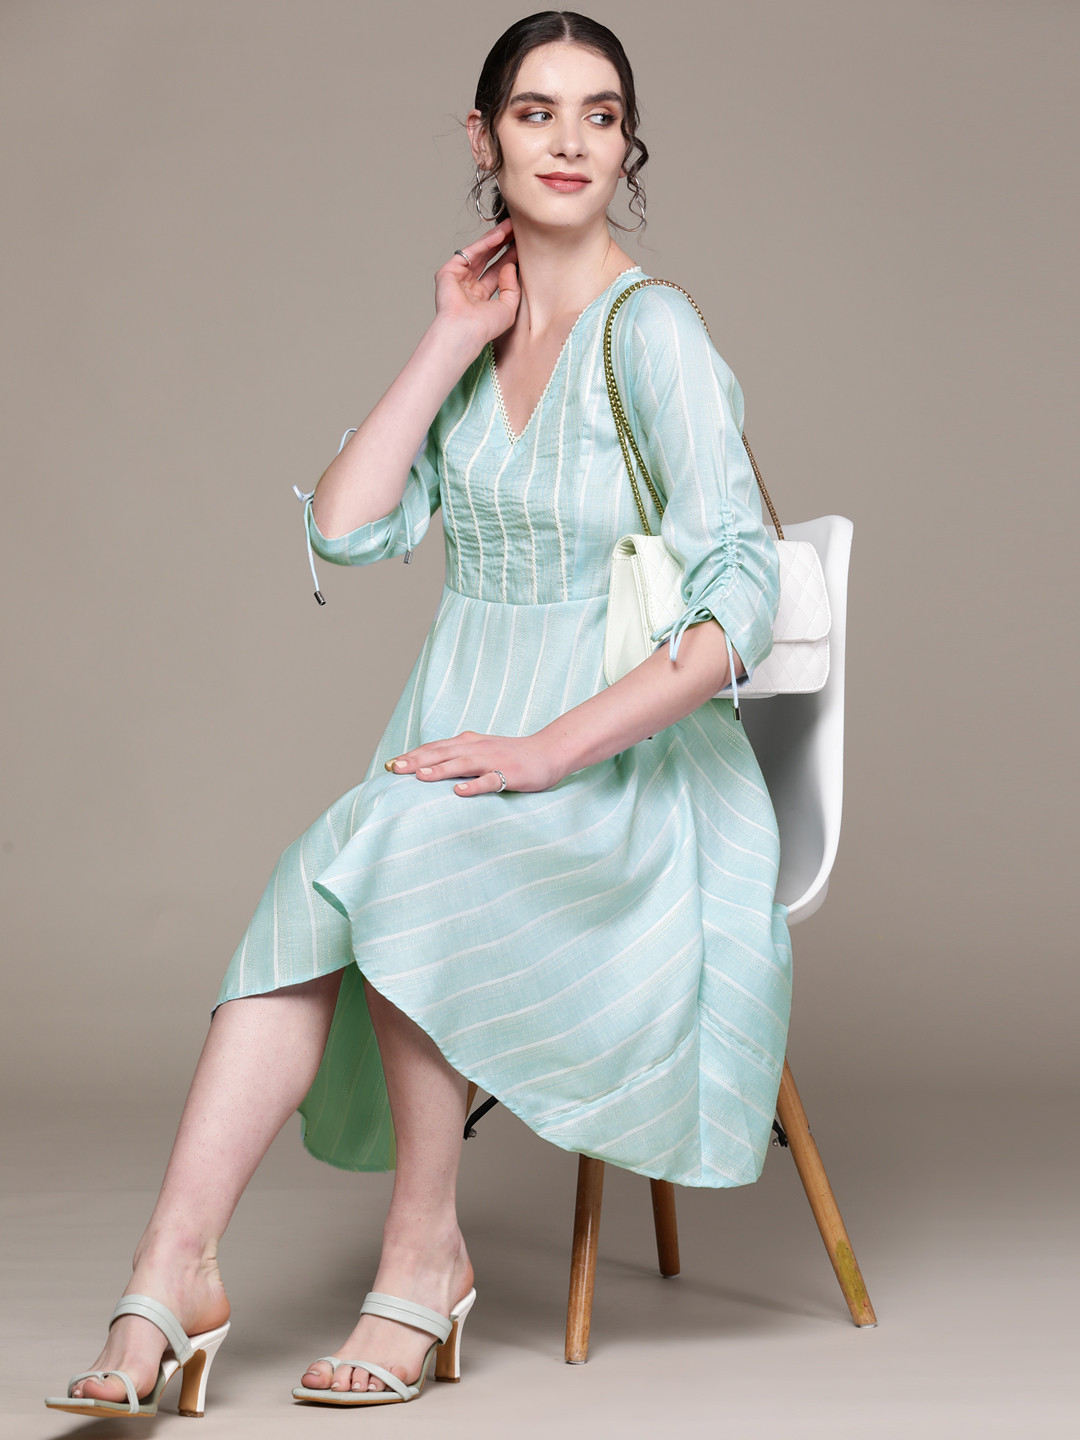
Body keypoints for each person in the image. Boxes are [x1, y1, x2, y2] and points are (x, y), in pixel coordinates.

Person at [46, 8, 791, 1416]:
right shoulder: (485, 332)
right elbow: (344, 528)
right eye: (534, 111)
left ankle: (424, 1252)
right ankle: (170, 1269)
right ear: (482, 136)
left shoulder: (656, 334)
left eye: (599, 116)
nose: (568, 142)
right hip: (459, 756)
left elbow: (738, 600)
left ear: (628, 146)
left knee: (401, 847)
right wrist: (449, 335)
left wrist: (548, 750)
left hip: (623, 786)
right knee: (320, 875)